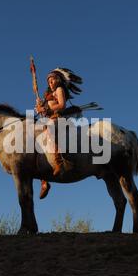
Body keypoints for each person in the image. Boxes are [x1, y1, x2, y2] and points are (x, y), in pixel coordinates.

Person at [35, 68, 83, 199]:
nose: (51, 82)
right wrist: (40, 108)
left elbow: (61, 105)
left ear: (58, 80)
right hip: (49, 119)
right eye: (49, 81)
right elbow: (46, 111)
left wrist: (45, 108)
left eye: (53, 79)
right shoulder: (47, 95)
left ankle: (59, 162)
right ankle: (44, 181)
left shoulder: (59, 90)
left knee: (50, 128)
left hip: (59, 119)